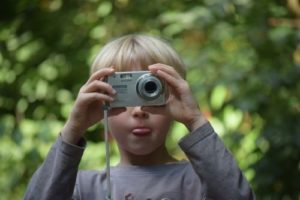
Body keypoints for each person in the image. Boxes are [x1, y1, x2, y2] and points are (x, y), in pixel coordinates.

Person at [24, 34, 255, 200]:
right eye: (122, 95)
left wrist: (195, 120)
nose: (138, 110)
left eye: (150, 91)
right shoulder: (82, 188)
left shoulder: (202, 182)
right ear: (100, 103)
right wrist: (73, 129)